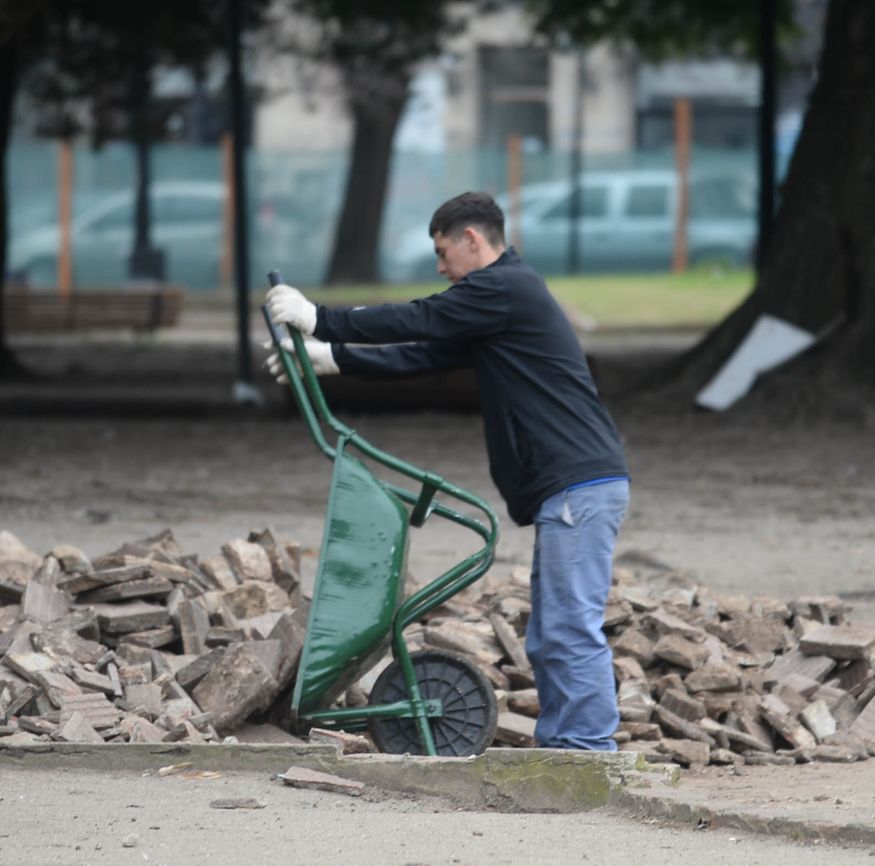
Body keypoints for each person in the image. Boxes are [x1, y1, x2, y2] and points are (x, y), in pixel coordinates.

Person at [265, 191, 629, 751]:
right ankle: (565, 751)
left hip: (579, 485)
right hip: (573, 485)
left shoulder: (505, 288)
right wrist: (332, 357)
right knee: (550, 633)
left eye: (442, 252)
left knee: (568, 629)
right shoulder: (499, 305)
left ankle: (588, 753)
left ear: (472, 240)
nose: (440, 267)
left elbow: (421, 316)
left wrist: (320, 318)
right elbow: (423, 352)